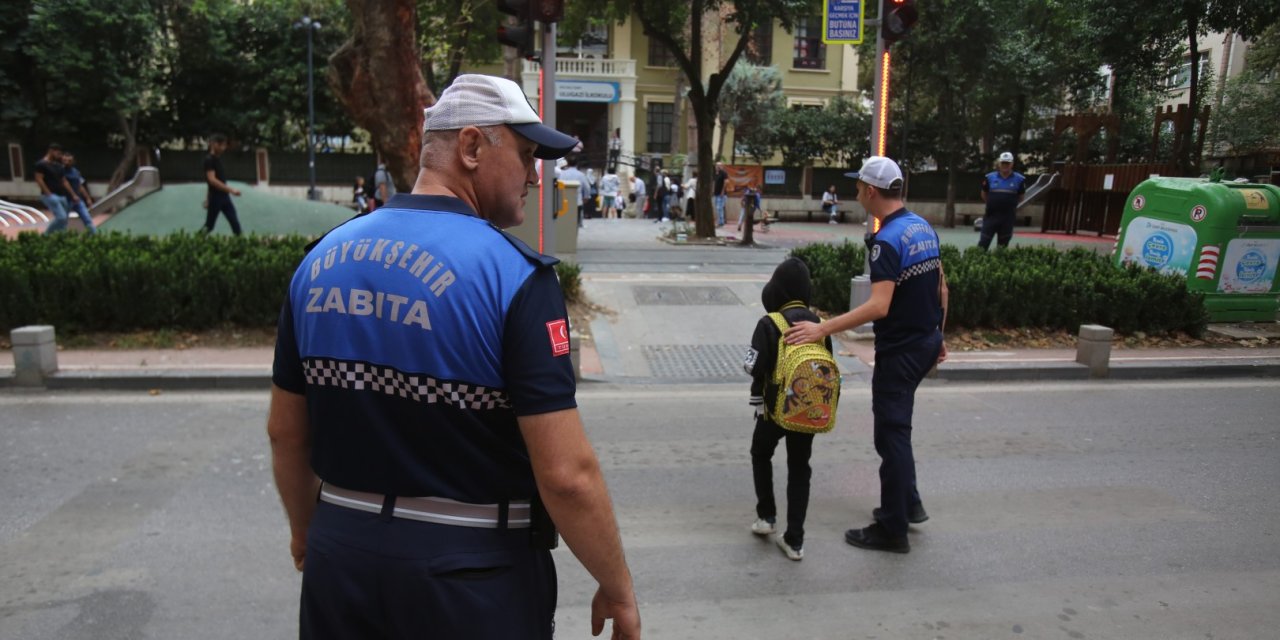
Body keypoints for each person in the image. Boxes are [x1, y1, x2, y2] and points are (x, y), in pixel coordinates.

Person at [267, 73, 640, 640]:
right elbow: (567, 476)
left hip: (338, 560)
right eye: (526, 154)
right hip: (470, 579)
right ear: (470, 148)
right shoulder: (513, 277)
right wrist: (617, 587)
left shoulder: (321, 259)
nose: (535, 177)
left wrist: (308, 532)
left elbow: (286, 434)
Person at [784, 156, 948, 555]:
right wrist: (938, 335)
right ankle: (908, 504)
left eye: (858, 186)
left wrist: (821, 328)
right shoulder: (921, 227)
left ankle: (893, 529)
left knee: (892, 436)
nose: (856, 192)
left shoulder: (887, 241)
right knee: (895, 431)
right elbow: (942, 288)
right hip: (924, 343)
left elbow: (879, 306)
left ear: (871, 192)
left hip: (902, 351)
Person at [744, 257, 832, 561]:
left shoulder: (770, 323)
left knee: (760, 453)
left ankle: (766, 517)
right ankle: (795, 540)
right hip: (806, 411)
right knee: (799, 468)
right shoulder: (820, 325)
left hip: (773, 411)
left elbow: (752, 366)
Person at [978, 151, 1026, 250]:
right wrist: (993, 202)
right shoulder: (989, 177)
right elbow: (984, 194)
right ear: (999, 164)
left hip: (1007, 218)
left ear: (1012, 164)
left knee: (1003, 246)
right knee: (983, 243)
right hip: (991, 216)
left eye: (1007, 163)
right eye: (1003, 163)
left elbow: (1021, 197)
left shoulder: (1019, 179)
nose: (1005, 165)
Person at [200, 134, 243, 236]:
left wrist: (207, 198)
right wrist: (231, 190)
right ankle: (195, 242)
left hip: (224, 197)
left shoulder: (217, 159)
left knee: (235, 223)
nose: (224, 148)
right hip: (216, 198)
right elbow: (212, 180)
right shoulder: (209, 160)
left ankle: (241, 245)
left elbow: (212, 181)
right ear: (215, 144)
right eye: (222, 145)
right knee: (209, 226)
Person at [33, 143, 78, 235]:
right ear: (51, 151)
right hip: (51, 195)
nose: (60, 155)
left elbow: (64, 181)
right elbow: (39, 179)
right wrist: (48, 193)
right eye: (58, 153)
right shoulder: (41, 164)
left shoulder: (58, 166)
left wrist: (73, 194)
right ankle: (46, 235)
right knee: (61, 217)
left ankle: (60, 237)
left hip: (62, 195)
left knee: (64, 220)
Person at [60, 152, 98, 234]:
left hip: (77, 200)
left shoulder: (76, 172)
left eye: (69, 161)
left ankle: (95, 235)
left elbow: (80, 186)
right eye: (65, 160)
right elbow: (64, 183)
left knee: (87, 218)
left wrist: (88, 198)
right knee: (62, 221)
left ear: (73, 161)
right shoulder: (60, 171)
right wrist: (73, 195)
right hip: (65, 200)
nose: (67, 162)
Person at [558, 155, 588, 228]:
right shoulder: (581, 175)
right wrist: (586, 197)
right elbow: (587, 187)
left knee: (565, 221)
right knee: (577, 222)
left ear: (567, 163)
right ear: (577, 164)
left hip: (564, 200)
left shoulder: (562, 174)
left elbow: (559, 185)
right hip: (577, 200)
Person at [713, 162, 729, 226]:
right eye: (716, 165)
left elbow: (726, 182)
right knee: (718, 208)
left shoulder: (723, 173)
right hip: (716, 194)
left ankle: (720, 222)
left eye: (719, 166)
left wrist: (723, 191)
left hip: (721, 194)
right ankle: (720, 221)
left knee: (719, 208)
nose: (717, 167)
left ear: (722, 166)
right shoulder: (716, 174)